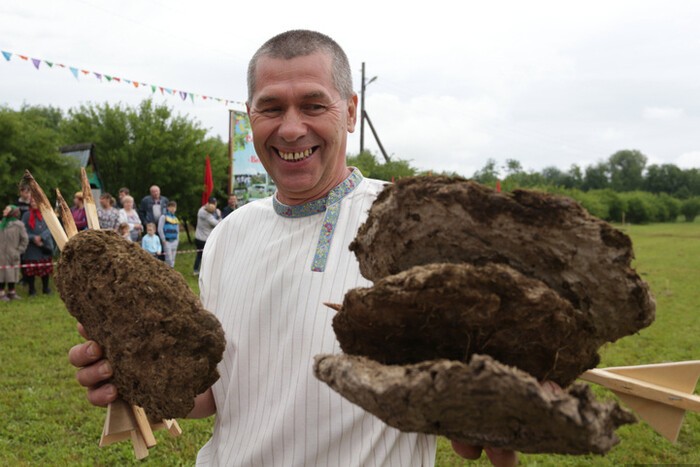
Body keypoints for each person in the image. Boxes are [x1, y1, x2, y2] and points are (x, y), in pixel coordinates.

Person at [68, 30, 516, 466]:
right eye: (271, 108)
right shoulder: (229, 233)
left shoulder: (411, 226)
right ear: (250, 116)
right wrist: (137, 373)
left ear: (351, 111)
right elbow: (214, 393)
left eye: (313, 105)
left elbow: (467, 422)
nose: (291, 128)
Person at [21, 199, 55, 296]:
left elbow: (51, 227)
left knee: (45, 269)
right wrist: (33, 238)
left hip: (44, 245)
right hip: (31, 246)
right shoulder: (26, 215)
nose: (34, 203)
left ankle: (46, 289)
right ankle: (32, 290)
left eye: (36, 201)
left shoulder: (46, 214)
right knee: (31, 271)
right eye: (32, 202)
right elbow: (23, 230)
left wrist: (41, 237)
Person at [0, 205, 29, 301]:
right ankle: (1, 293)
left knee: (12, 273)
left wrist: (19, 251)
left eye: (6, 209)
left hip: (12, 253)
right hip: (1, 254)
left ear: (12, 212)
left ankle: (12, 292)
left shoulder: (18, 225)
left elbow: (24, 239)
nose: (4, 210)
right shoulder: (1, 224)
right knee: (1, 273)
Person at [192, 196, 220, 275]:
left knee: (199, 255)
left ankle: (196, 269)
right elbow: (218, 224)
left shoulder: (200, 210)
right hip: (205, 239)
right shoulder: (208, 216)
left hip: (198, 237)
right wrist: (218, 215)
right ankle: (205, 272)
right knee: (207, 256)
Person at [157, 200, 180, 267]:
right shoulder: (163, 217)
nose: (173, 209)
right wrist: (163, 239)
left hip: (174, 240)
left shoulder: (175, 218)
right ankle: (168, 271)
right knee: (168, 259)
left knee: (173, 258)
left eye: (174, 207)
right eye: (171, 207)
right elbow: (160, 229)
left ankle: (172, 271)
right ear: (168, 208)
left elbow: (177, 230)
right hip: (167, 240)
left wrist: (177, 240)